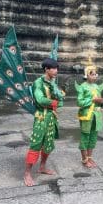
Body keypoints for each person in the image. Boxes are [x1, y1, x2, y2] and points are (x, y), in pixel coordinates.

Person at [24, 58, 63, 186]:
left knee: (48, 144)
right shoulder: (38, 83)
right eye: (54, 68)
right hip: (41, 117)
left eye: (57, 68)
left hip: (51, 117)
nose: (56, 71)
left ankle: (42, 167)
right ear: (46, 69)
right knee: (36, 144)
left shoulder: (53, 82)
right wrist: (53, 103)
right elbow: (40, 99)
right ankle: (27, 173)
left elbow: (60, 100)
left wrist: (59, 99)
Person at [75, 56, 103, 168]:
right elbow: (79, 102)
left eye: (95, 74)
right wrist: (92, 100)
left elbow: (99, 100)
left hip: (96, 115)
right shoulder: (82, 87)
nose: (94, 76)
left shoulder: (97, 86)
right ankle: (84, 159)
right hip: (86, 115)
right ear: (86, 75)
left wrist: (101, 102)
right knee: (85, 136)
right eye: (92, 74)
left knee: (93, 136)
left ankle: (90, 157)